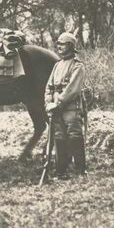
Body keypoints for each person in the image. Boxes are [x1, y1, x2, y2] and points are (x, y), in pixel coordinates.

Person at [45, 32, 87, 177]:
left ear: (70, 46)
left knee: (74, 136)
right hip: (55, 107)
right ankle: (61, 170)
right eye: (58, 44)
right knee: (59, 137)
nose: (59, 47)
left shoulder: (78, 66)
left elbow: (72, 89)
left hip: (70, 108)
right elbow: (49, 86)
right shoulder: (57, 65)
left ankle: (80, 170)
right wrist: (48, 102)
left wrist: (58, 103)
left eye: (62, 44)